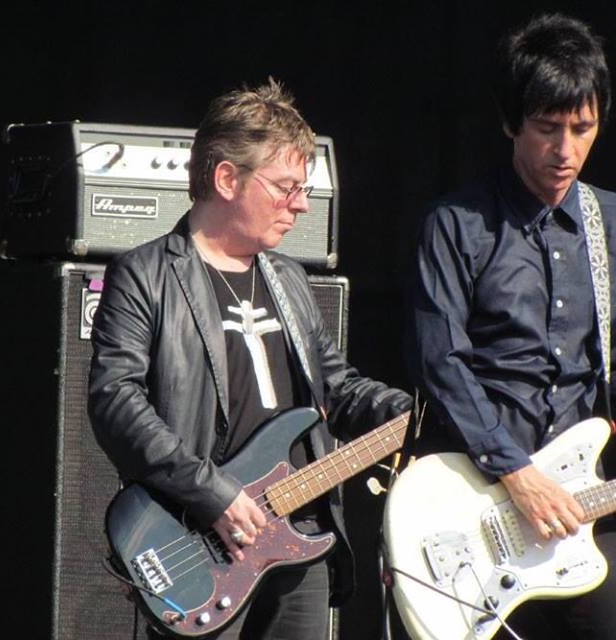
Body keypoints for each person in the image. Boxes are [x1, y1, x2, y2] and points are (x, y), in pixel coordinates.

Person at [405, 14, 616, 639]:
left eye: (582, 129)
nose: (565, 150)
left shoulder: (612, 221)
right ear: (510, 122)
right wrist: (518, 475)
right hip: (476, 499)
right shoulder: (455, 224)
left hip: (577, 498)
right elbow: (442, 367)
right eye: (546, 129)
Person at [89, 79, 411, 639]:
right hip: (203, 538)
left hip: (299, 531)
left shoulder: (287, 278)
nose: (302, 204)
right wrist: (215, 495)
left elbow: (334, 388)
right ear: (226, 178)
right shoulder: (146, 275)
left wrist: (418, 412)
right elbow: (115, 400)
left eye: (304, 188)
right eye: (286, 187)